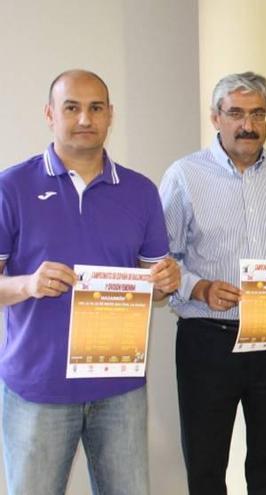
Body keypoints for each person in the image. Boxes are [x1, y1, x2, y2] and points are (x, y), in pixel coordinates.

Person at [0, 69, 180, 495]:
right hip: (38, 388)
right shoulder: (12, 186)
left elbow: (154, 277)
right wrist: (27, 284)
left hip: (120, 388)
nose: (85, 118)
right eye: (72, 107)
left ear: (110, 115)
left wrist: (166, 280)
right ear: (50, 114)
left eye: (96, 108)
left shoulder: (140, 191)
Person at [159, 71, 266, 495]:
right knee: (207, 461)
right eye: (235, 113)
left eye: (257, 114)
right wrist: (199, 287)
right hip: (207, 339)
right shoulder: (184, 176)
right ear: (216, 118)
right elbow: (164, 259)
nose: (247, 124)